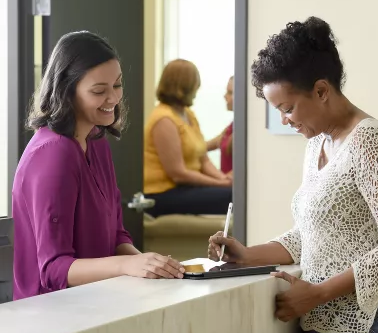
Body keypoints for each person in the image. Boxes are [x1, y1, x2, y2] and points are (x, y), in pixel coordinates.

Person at [208, 17, 378, 333]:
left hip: (365, 324)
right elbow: (312, 235)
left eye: (288, 108)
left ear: (321, 90)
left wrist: (318, 294)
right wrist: (247, 255)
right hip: (319, 319)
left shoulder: (369, 141)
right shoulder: (317, 143)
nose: (285, 120)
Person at [12, 32, 185, 300]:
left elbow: (116, 235)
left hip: (97, 302)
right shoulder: (53, 154)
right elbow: (54, 270)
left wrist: (152, 267)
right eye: (98, 91)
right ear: (67, 92)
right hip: (49, 316)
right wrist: (127, 265)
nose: (113, 98)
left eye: (117, 85)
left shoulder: (96, 140)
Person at [143, 59, 232, 217]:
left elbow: (203, 159)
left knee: (236, 193)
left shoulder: (188, 115)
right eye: (195, 86)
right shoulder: (163, 119)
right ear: (184, 87)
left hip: (185, 189)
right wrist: (221, 184)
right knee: (234, 197)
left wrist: (223, 178)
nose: (197, 90)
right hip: (162, 194)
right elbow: (178, 174)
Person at [207, 76, 233, 177]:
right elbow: (205, 146)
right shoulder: (232, 127)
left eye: (230, 93)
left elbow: (237, 173)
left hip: (230, 188)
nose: (225, 96)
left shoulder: (243, 131)